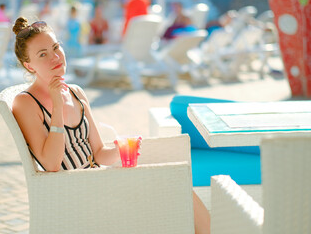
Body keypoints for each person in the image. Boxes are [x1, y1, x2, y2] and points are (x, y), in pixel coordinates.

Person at [11, 17, 210, 234]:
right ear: (28, 65)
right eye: (43, 54)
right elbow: (51, 165)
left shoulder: (76, 93)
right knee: (172, 185)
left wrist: (118, 149)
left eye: (56, 47)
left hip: (98, 181)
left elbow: (98, 153)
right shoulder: (26, 103)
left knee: (178, 184)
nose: (55, 57)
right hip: (73, 194)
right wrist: (57, 107)